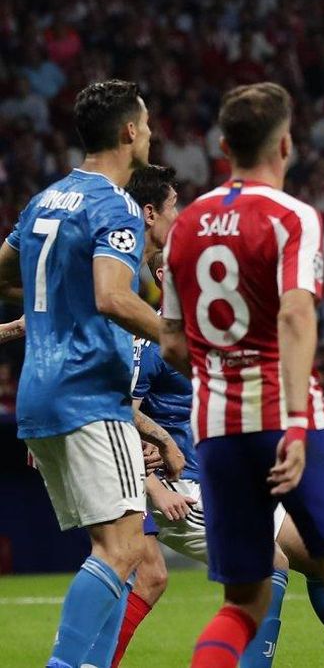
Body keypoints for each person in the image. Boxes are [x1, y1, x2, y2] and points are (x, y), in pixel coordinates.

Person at [114, 166, 324, 668]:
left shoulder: (211, 335)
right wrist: (155, 484)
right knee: (268, 567)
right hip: (191, 484)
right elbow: (120, 412)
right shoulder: (151, 342)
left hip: (236, 472)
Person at [161, 83, 324, 668]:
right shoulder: (292, 217)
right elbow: (295, 312)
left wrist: (220, 368)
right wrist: (291, 420)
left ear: (221, 144)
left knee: (243, 599)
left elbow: (169, 345)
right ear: (285, 143)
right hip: (286, 417)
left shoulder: (185, 227)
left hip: (214, 425)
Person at [0, 80, 172, 668]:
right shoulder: (115, 204)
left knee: (118, 553)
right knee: (123, 549)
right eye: (145, 125)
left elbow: (8, 268)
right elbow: (112, 297)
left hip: (38, 395)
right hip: (90, 395)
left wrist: (51, 305)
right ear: (129, 131)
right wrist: (179, 337)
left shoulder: (46, 199)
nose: (149, 134)